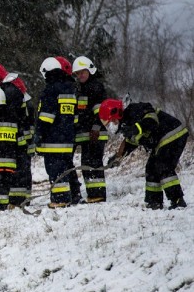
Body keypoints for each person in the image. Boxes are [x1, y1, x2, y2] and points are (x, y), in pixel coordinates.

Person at [100, 99, 188, 209]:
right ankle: (154, 202)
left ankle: (178, 200)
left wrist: (136, 128)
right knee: (151, 168)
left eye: (112, 120)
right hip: (161, 141)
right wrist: (118, 157)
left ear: (116, 112)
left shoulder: (135, 109)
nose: (113, 123)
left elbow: (152, 121)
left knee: (163, 166)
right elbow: (131, 142)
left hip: (173, 133)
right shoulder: (126, 123)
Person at [0, 64, 33, 207]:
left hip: (19, 133)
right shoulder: (14, 86)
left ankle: (18, 200)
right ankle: (23, 198)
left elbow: (10, 114)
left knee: (19, 166)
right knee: (23, 165)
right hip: (24, 131)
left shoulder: (9, 91)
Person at [35, 57, 78, 208]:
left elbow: (47, 116)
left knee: (55, 171)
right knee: (67, 169)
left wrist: (39, 133)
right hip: (67, 139)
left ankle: (60, 199)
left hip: (53, 139)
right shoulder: (70, 89)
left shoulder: (51, 90)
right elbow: (75, 116)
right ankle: (74, 195)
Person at [73, 56, 109, 203]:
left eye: (83, 72)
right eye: (77, 73)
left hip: (95, 134)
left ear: (90, 71)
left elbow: (101, 112)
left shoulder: (95, 87)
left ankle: (98, 195)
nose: (80, 75)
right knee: (87, 165)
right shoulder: (81, 89)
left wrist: (95, 128)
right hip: (86, 135)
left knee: (94, 164)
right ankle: (93, 195)